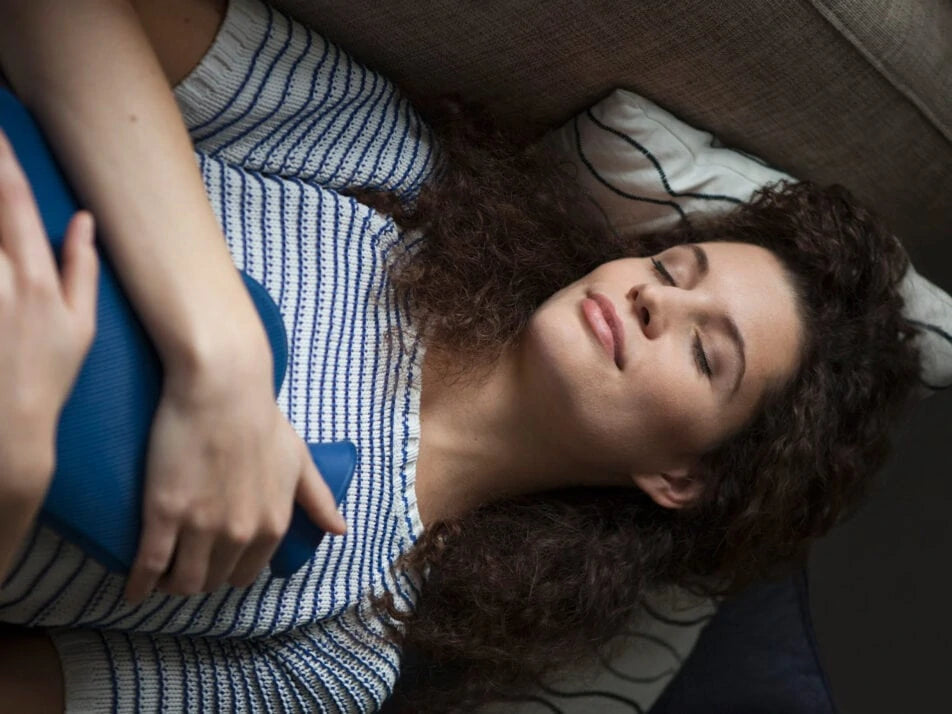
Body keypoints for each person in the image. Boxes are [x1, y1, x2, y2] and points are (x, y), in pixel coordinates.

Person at [0, 0, 920, 712]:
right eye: (673, 267)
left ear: (679, 477)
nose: (654, 299)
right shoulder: (393, 178)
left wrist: (19, 472)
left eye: (705, 352)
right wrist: (222, 352)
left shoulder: (335, 660)